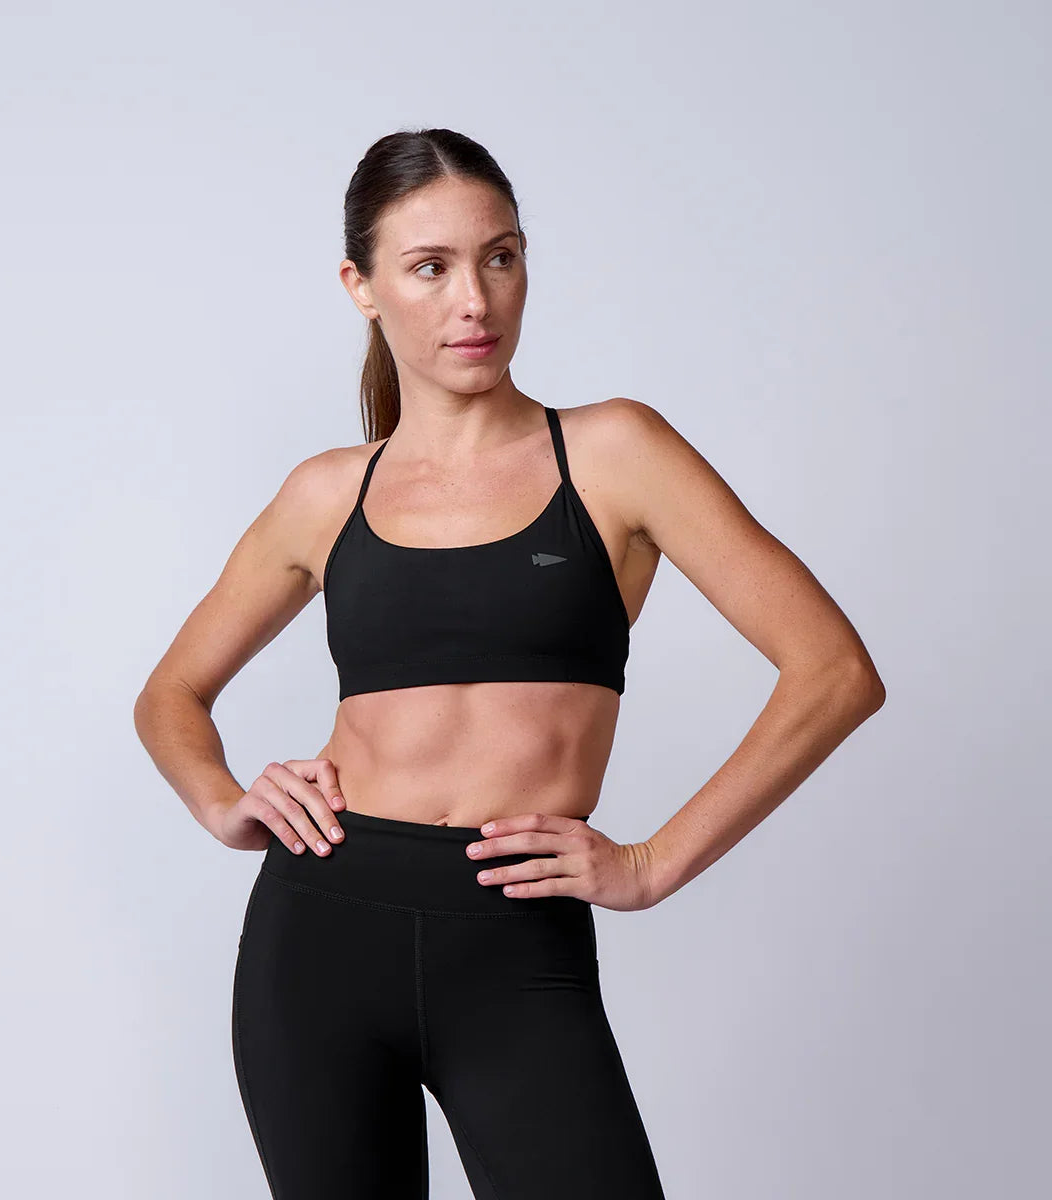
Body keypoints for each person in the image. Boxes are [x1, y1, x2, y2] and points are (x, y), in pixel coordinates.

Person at [133, 127, 886, 1199]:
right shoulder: (327, 493)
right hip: (319, 934)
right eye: (429, 268)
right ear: (363, 286)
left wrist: (652, 863)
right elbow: (170, 694)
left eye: (501, 256)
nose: (474, 301)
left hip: (516, 941)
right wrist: (221, 800)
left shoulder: (618, 452)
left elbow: (833, 669)